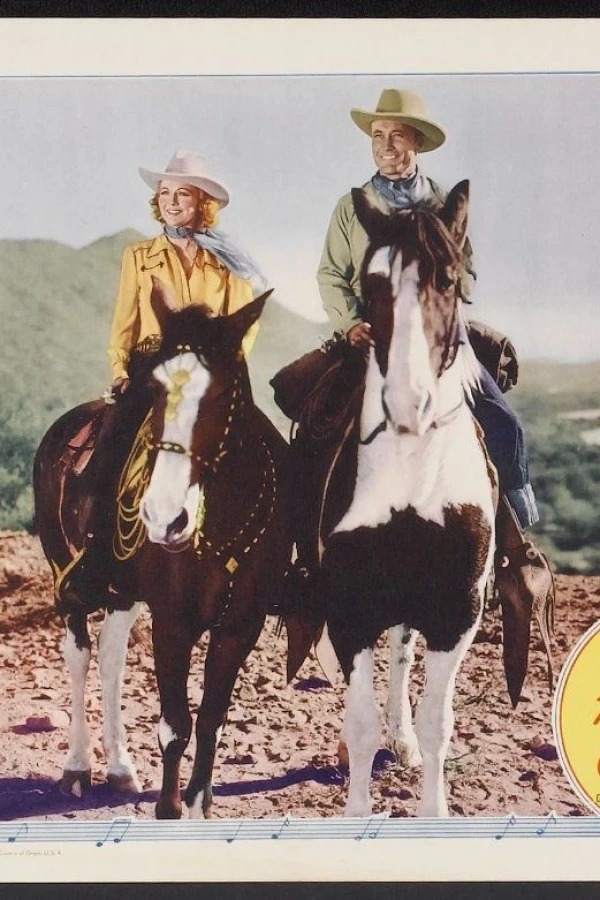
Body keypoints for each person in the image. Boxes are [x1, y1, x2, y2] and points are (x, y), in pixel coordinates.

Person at [313, 89, 553, 687]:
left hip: (437, 339)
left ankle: (511, 544)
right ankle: (305, 558)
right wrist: (350, 322)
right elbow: (330, 273)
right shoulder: (352, 207)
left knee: (502, 422)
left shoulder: (444, 203)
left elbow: (465, 268)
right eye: (378, 136)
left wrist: (441, 298)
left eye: (397, 136)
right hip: (371, 335)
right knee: (313, 419)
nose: (386, 146)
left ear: (416, 142)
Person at [61, 149, 267, 607]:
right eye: (165, 193)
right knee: (113, 442)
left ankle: (279, 562)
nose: (171, 202)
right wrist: (120, 371)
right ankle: (96, 561)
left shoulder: (231, 260)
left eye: (182, 194)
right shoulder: (139, 256)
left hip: (212, 371)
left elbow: (244, 325)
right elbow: (124, 322)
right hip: (153, 367)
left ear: (202, 202)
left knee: (266, 448)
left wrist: (224, 365)